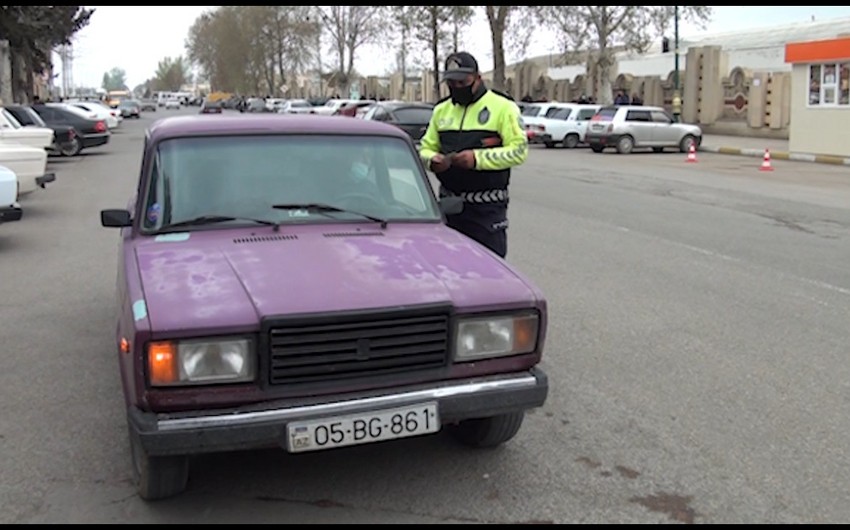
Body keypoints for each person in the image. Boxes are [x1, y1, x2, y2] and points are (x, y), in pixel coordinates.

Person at [419, 51, 528, 259]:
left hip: (486, 210)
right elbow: (425, 148)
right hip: (449, 207)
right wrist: (432, 161)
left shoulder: (503, 107)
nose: (457, 87)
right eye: (451, 83)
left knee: (489, 274)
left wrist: (477, 160)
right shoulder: (441, 110)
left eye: (463, 82)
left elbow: (519, 151)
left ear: (478, 78)